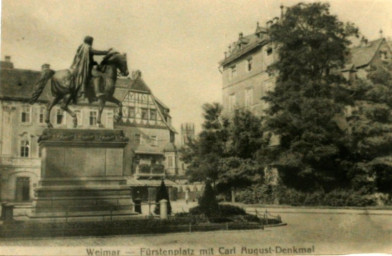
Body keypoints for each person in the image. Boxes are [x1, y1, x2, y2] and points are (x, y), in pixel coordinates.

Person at [70, 36, 111, 100]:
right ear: (90, 41)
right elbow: (96, 52)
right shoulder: (87, 48)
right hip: (86, 68)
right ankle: (97, 92)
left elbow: (88, 59)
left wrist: (94, 63)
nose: (92, 43)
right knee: (98, 75)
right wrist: (107, 52)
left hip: (79, 66)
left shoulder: (81, 48)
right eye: (92, 41)